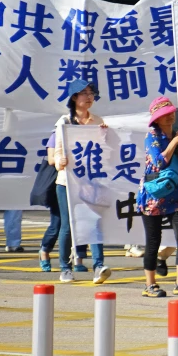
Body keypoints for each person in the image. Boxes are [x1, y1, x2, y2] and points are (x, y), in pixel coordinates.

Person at [54, 79, 111, 284]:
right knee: (68, 225)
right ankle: (65, 268)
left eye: (91, 93)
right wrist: (60, 161)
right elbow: (58, 152)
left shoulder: (98, 121)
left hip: (91, 181)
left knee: (94, 222)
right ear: (74, 98)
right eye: (84, 93)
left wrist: (106, 136)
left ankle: (98, 266)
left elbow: (105, 152)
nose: (89, 97)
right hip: (67, 182)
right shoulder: (64, 122)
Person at [137, 96, 178, 298]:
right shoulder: (152, 136)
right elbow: (157, 164)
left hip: (177, 194)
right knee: (153, 240)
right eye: (164, 115)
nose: (169, 117)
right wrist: (174, 143)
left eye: (171, 113)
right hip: (155, 195)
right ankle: (150, 284)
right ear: (156, 119)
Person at [38, 130, 86, 272]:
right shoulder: (57, 134)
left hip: (81, 183)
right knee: (58, 223)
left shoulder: (86, 131)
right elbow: (52, 159)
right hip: (60, 183)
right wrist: (64, 160)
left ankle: (78, 258)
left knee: (81, 222)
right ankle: (44, 251)